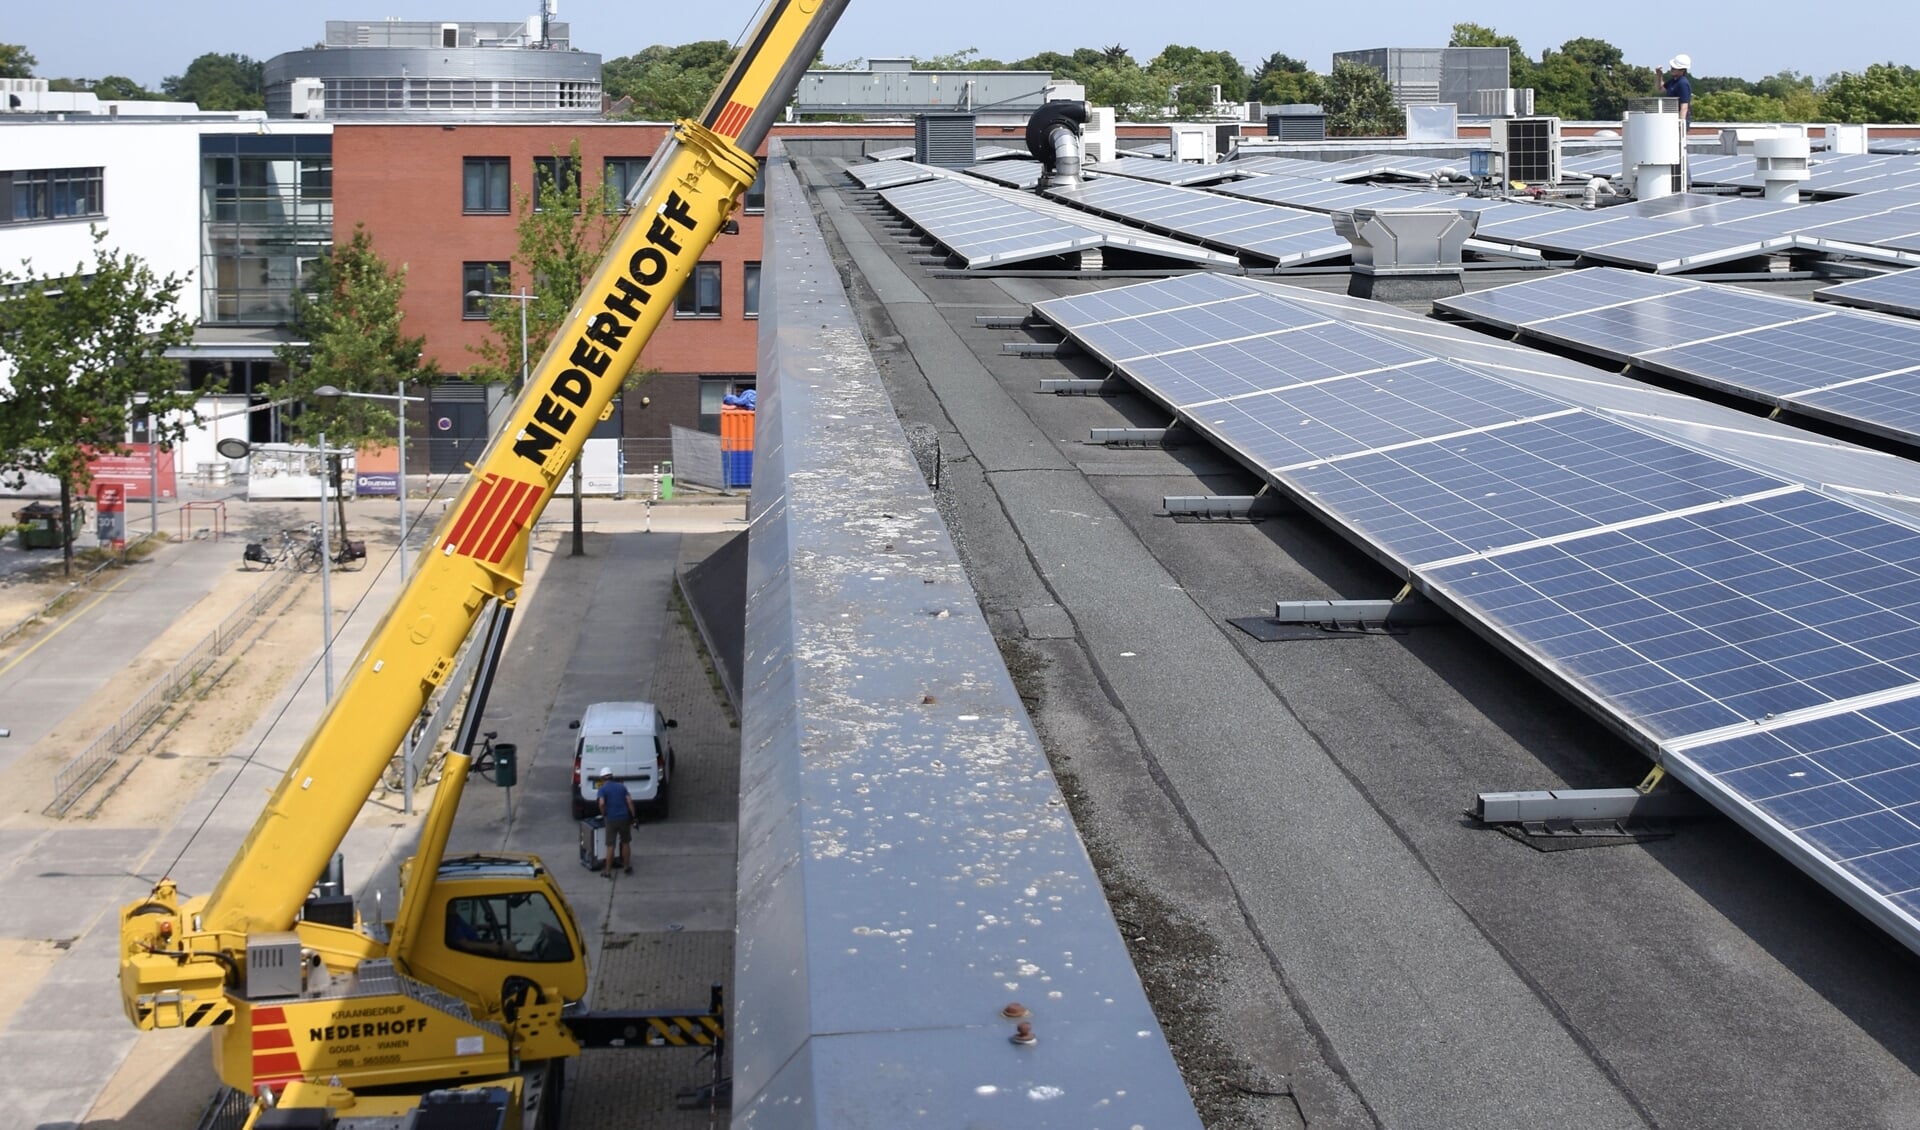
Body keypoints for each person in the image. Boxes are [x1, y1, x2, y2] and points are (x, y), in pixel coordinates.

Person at [595, 768, 634, 876]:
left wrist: (604, 814)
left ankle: (607, 871)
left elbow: (602, 803)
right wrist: (633, 816)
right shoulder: (621, 786)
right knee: (626, 842)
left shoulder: (602, 789)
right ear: (612, 776)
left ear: (602, 779)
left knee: (611, 845)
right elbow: (629, 801)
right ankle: (626, 867)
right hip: (624, 818)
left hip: (611, 820)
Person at [1660, 54, 1693, 127]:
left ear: (1683, 70)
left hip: (1676, 121)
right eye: (1672, 67)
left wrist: (1680, 125)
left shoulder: (1683, 83)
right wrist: (1659, 75)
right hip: (1671, 119)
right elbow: (1660, 89)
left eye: (1675, 68)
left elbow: (1684, 107)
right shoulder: (1673, 81)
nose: (1672, 69)